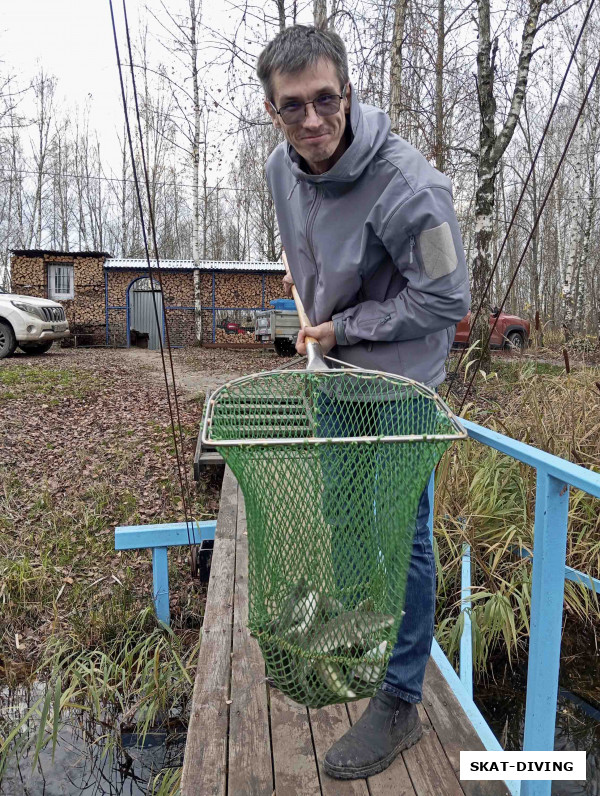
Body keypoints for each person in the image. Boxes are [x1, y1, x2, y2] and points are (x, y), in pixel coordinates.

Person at [257, 25, 470, 780]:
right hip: (334, 373)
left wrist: (342, 323)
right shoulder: (282, 170)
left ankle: (401, 699)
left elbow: (447, 296)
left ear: (346, 91)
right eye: (292, 107)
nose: (312, 121)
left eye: (325, 99)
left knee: (403, 535)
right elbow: (307, 244)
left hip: (404, 383)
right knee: (342, 511)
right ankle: (358, 625)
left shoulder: (413, 186)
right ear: (274, 112)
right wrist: (310, 297)